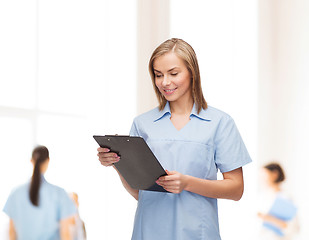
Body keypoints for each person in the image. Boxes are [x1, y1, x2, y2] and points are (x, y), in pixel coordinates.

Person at [97, 38, 252, 240]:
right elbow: (139, 193)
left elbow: (236, 189)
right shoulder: (143, 124)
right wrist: (117, 163)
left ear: (192, 73)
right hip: (149, 232)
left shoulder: (219, 123)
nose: (165, 82)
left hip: (198, 233)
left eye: (174, 73)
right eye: (158, 75)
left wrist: (187, 183)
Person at [3, 145, 76, 240]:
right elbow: (65, 234)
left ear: (31, 161)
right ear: (48, 161)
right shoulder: (59, 194)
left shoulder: (15, 193)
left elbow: (12, 233)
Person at [257, 162, 299, 240]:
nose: (261, 179)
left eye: (264, 175)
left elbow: (294, 227)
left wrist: (269, 218)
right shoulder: (260, 197)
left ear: (275, 174)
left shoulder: (286, 197)